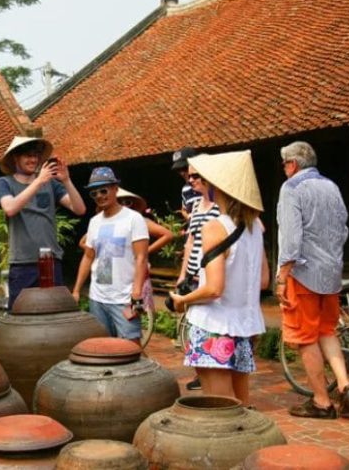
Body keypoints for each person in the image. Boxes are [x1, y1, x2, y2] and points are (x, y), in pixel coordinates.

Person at [168, 151, 269, 406]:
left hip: (214, 324)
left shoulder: (215, 227)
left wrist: (183, 300)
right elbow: (263, 281)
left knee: (220, 408)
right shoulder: (255, 227)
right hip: (242, 326)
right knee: (242, 406)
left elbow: (214, 289)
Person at [277, 141, 349, 419]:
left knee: (306, 337)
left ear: (293, 164)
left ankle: (322, 401)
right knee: (327, 331)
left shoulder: (292, 188)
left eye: (284, 164)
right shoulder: (331, 186)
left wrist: (282, 276)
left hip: (303, 273)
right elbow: (343, 228)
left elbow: (290, 237)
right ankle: (345, 384)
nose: (284, 170)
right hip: (331, 272)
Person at [0, 136, 86, 309]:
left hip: (51, 260)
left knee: (54, 312)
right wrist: (38, 182)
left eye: (35, 155)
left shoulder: (51, 183)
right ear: (16, 157)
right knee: (20, 314)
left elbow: (79, 209)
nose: (33, 160)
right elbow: (10, 208)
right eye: (27, 156)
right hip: (22, 262)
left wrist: (66, 180)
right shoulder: (5, 182)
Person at [72, 167, 149, 344]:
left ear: (115, 189)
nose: (99, 195)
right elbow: (89, 257)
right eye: (94, 193)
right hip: (97, 297)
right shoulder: (94, 222)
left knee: (131, 346)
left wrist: (136, 292)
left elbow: (141, 258)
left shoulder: (133, 218)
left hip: (124, 297)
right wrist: (76, 289)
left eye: (104, 190)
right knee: (103, 347)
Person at [175, 162, 221, 390]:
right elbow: (190, 241)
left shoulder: (219, 207)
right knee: (195, 324)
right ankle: (201, 372)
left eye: (195, 176)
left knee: (208, 325)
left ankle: (211, 373)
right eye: (190, 176)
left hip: (209, 273)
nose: (190, 180)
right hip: (194, 273)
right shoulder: (195, 205)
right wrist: (183, 273)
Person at [115, 188, 174, 313]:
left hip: (136, 269)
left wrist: (145, 251)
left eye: (128, 202)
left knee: (133, 311)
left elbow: (168, 235)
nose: (124, 205)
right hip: (116, 271)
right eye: (120, 202)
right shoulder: (109, 223)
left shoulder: (140, 221)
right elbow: (85, 243)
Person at [171, 146, 201, 224]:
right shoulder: (185, 189)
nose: (182, 173)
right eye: (178, 170)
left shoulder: (209, 184)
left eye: (184, 168)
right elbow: (184, 209)